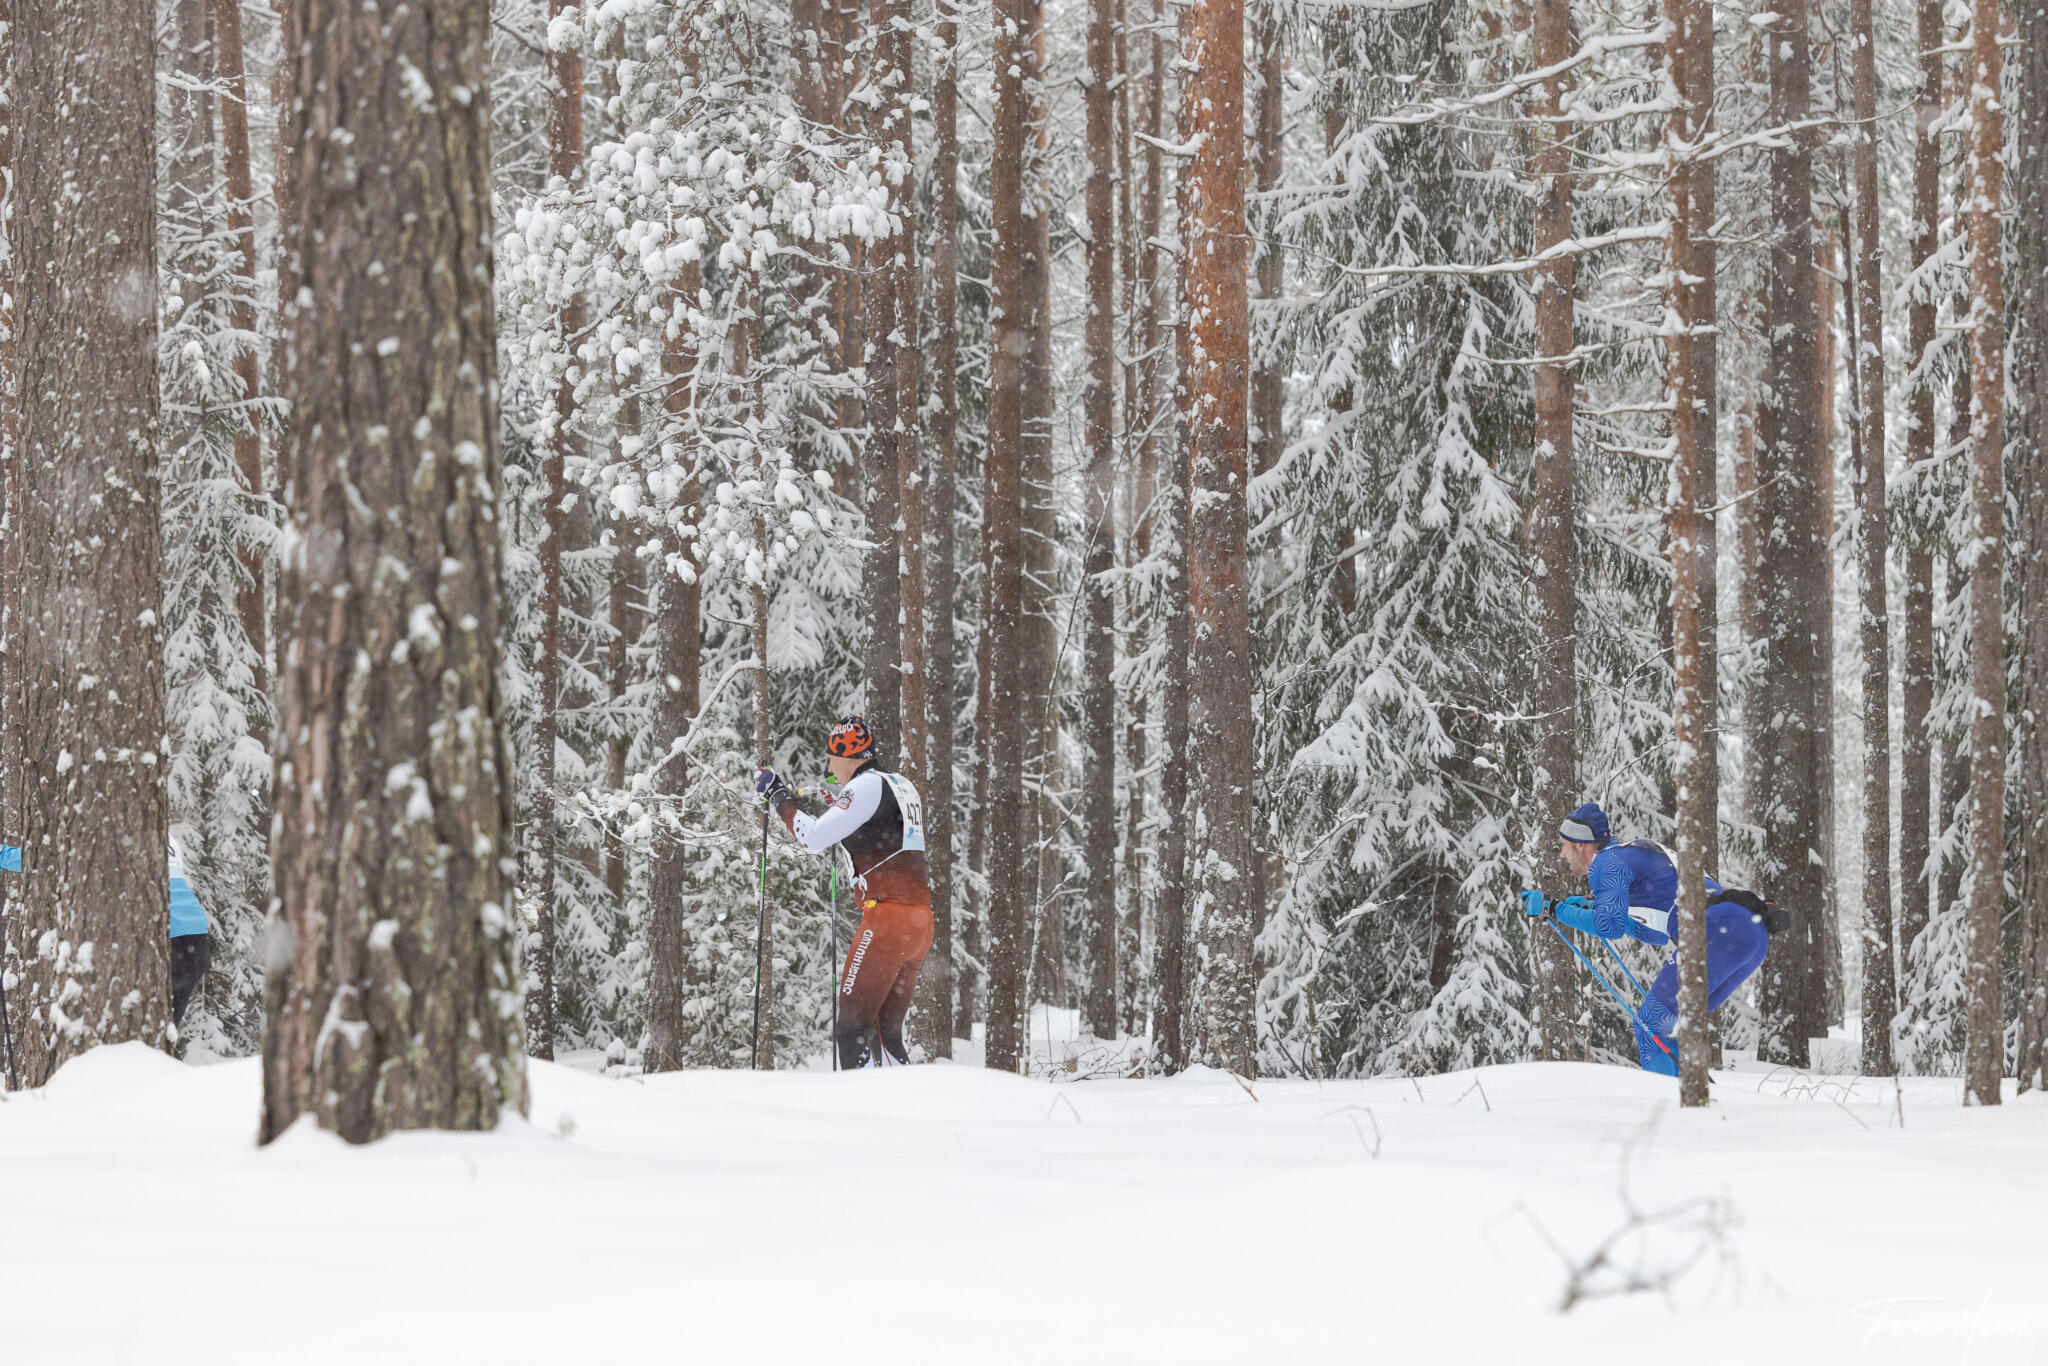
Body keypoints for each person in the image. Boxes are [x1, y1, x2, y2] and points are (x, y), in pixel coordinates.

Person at [1521, 801, 1771, 1076]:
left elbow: (1609, 926)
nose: (1562, 854)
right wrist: (1595, 907)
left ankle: (1669, 1101)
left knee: (1650, 1024)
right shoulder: (1635, 854)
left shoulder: (1607, 862)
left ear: (1582, 845)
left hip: (1717, 928)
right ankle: (1690, 1096)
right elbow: (1653, 933)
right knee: (1670, 1025)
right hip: (1752, 932)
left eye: (1564, 846)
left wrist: (1554, 909)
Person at [756, 714, 932, 1069]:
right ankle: (906, 1100)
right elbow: (884, 828)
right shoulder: (900, 783)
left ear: (848, 755)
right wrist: (840, 801)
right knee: (886, 1033)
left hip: (887, 921)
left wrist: (779, 797)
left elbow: (814, 837)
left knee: (851, 1031)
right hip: (919, 923)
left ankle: (860, 1102)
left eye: (831, 758)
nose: (829, 768)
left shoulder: (864, 787)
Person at [0, 836, 214, 1027]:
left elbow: (48, 862)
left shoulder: (113, 827)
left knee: (130, 1030)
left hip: (161, 938)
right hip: (195, 937)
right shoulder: (165, 834)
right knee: (160, 1032)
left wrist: (3, 854)